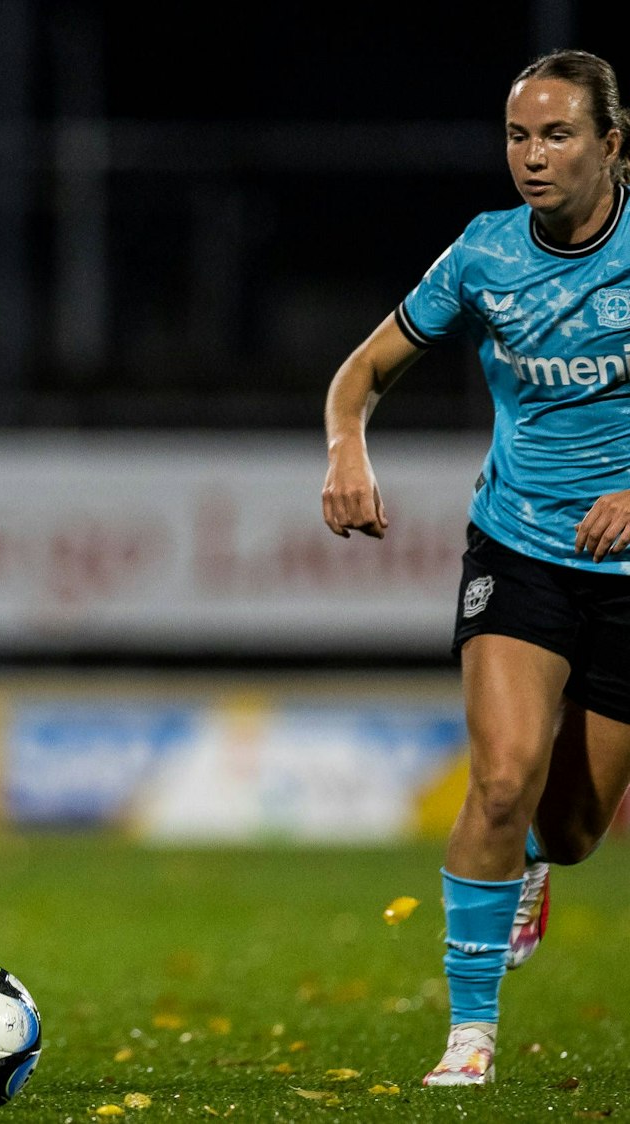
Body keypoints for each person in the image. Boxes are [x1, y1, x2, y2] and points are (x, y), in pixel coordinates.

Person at [322, 48, 630, 1087]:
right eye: (516, 136)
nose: (532, 157)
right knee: (500, 778)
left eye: (556, 135)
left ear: (610, 145)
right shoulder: (483, 256)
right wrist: (345, 448)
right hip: (518, 545)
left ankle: (541, 864)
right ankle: (470, 1031)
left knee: (575, 826)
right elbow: (358, 374)